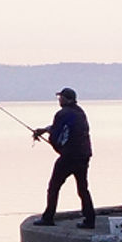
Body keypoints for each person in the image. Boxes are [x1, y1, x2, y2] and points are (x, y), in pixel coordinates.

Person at [33, 87, 96, 229]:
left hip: (69, 157)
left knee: (53, 187)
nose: (59, 100)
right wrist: (44, 130)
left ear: (67, 99)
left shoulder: (62, 114)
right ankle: (90, 219)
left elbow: (57, 136)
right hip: (83, 156)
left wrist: (50, 139)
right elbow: (63, 128)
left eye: (61, 97)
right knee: (83, 188)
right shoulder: (80, 113)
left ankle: (48, 217)